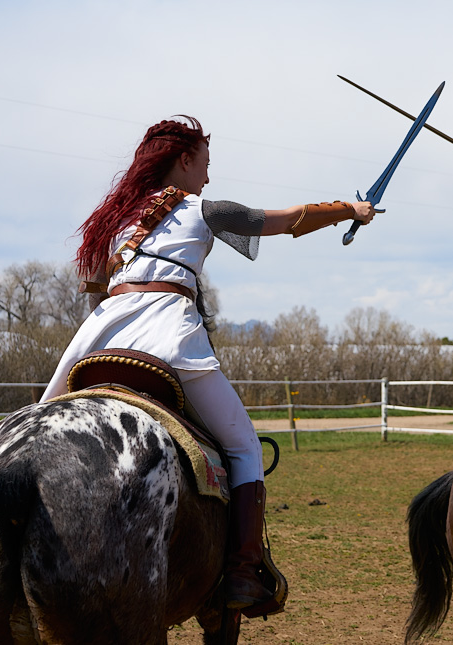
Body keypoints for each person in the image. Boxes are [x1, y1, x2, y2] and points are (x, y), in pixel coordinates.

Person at [40, 115, 375, 615]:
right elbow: (286, 219)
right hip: (168, 336)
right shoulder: (203, 208)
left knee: (37, 424)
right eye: (205, 164)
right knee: (243, 446)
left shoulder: (112, 221)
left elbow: (94, 292)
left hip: (98, 339)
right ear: (184, 160)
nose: (208, 176)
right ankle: (242, 570)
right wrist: (350, 209)